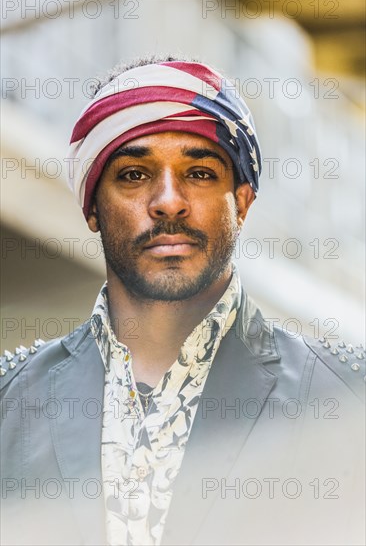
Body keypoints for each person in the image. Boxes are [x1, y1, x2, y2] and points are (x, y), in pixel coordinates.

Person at [0, 56, 364, 546]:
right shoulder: (11, 399)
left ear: (242, 200)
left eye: (198, 172)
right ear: (92, 208)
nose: (168, 201)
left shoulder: (346, 398)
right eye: (133, 174)